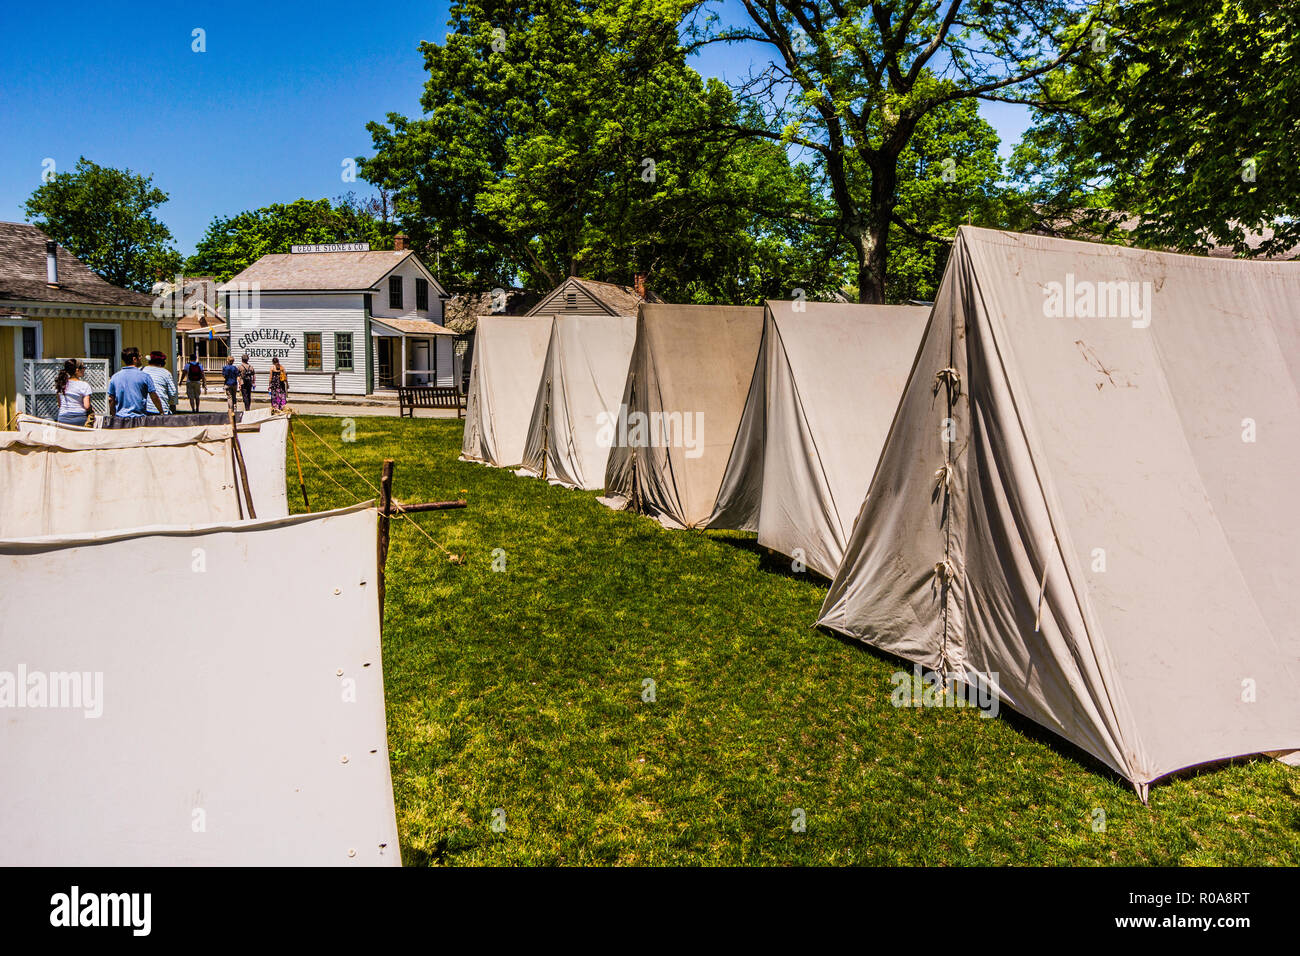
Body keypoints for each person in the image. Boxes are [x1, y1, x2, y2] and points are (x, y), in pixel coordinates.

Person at [106, 347, 162, 420]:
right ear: (134, 359)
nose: (141, 358)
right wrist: (161, 412)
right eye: (139, 356)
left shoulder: (115, 377)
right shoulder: (145, 376)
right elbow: (154, 397)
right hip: (139, 418)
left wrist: (114, 416)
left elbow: (111, 399)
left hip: (120, 418)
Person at [54, 359, 92, 426]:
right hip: (79, 418)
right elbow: (86, 406)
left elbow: (60, 405)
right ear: (77, 370)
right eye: (83, 368)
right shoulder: (84, 385)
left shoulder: (61, 384)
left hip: (63, 418)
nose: (84, 369)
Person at [142, 350, 178, 415]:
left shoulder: (142, 371)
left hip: (145, 409)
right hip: (162, 409)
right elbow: (173, 393)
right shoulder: (166, 373)